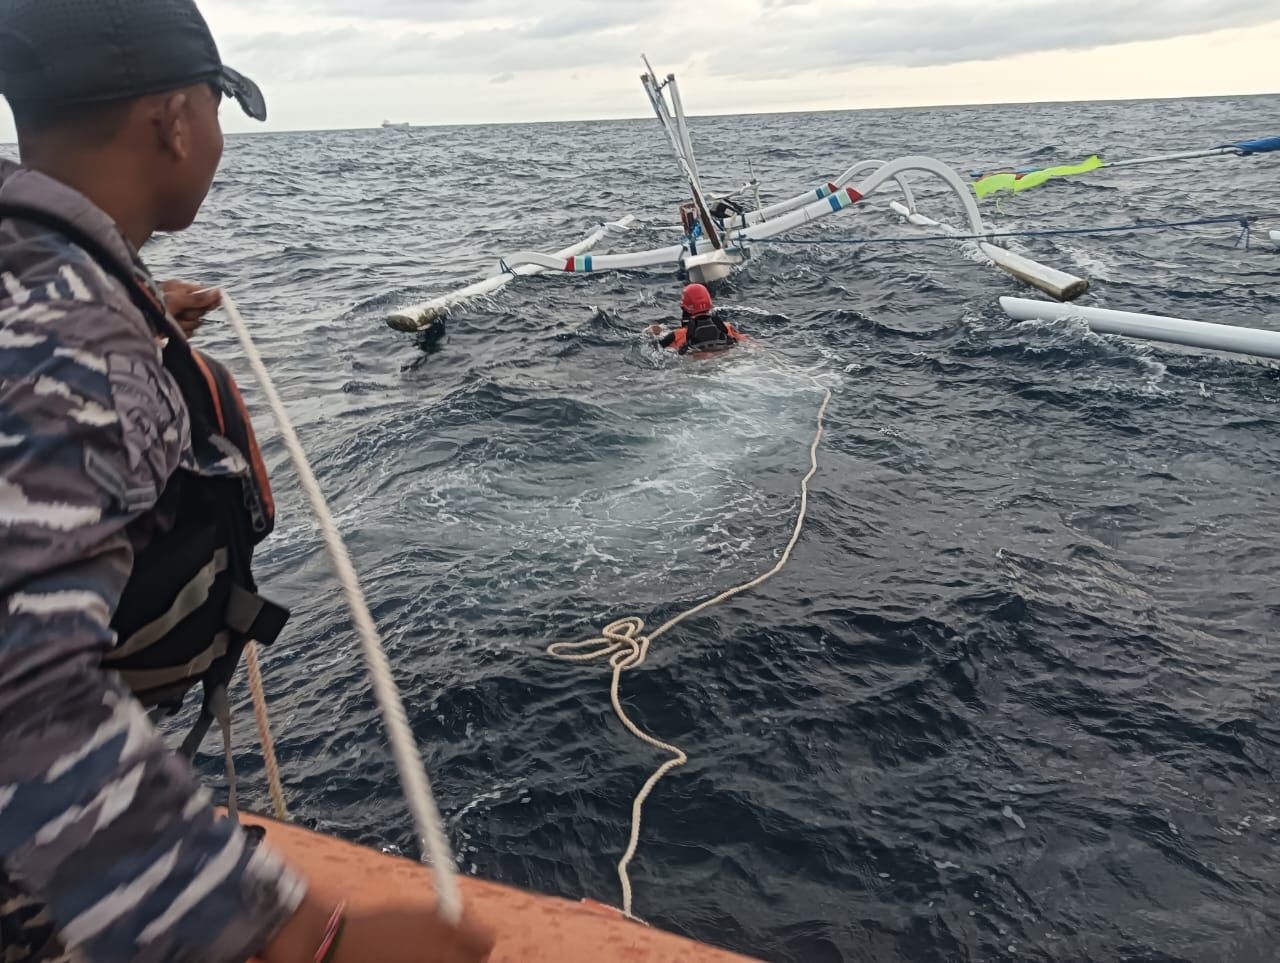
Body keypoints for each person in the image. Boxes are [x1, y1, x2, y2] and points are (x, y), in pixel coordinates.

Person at [0, 2, 491, 962]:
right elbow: (19, 697)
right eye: (217, 111)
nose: (219, 142)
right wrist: (302, 940)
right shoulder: (70, 341)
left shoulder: (46, 294)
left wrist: (135, 312)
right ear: (175, 121)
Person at [645, 282, 746, 355]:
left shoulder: (676, 336)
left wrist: (651, 333)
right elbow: (752, 345)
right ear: (710, 305)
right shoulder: (728, 329)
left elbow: (656, 349)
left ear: (684, 308)